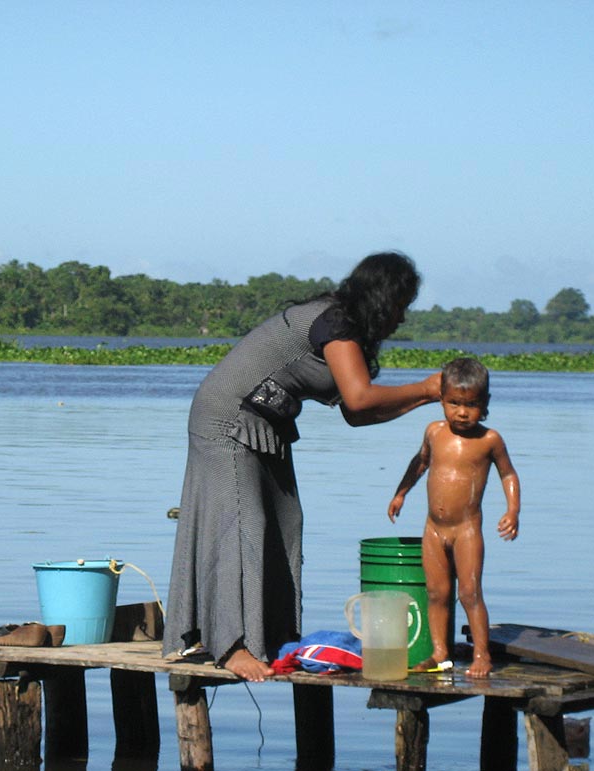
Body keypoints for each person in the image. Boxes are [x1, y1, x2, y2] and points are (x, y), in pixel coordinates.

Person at [164, 251, 442, 682]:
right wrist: (425, 388)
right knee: (242, 522)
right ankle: (231, 645)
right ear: (384, 299)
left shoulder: (348, 334)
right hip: (228, 418)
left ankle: (267, 635)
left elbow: (357, 412)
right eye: (402, 306)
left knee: (285, 519)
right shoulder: (335, 322)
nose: (402, 319)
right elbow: (361, 399)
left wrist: (426, 397)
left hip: (266, 424)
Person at [387, 357, 521, 677]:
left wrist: (513, 510)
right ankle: (440, 654)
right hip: (434, 529)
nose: (462, 412)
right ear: (442, 400)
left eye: (471, 405)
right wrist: (401, 492)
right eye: (454, 403)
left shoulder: (489, 440)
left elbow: (509, 475)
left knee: (470, 593)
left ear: (485, 404)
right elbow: (420, 463)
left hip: (466, 529)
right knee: (437, 593)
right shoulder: (434, 432)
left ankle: (481, 655)